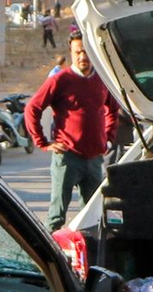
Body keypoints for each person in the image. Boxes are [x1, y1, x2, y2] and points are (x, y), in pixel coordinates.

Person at [24, 29, 119, 231]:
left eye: (85, 51)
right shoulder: (60, 80)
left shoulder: (102, 79)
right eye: (77, 52)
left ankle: (88, 257)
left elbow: (113, 109)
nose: (82, 56)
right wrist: (42, 142)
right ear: (71, 53)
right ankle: (50, 257)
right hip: (67, 158)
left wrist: (108, 139)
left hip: (94, 159)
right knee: (57, 216)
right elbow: (32, 108)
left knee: (92, 216)